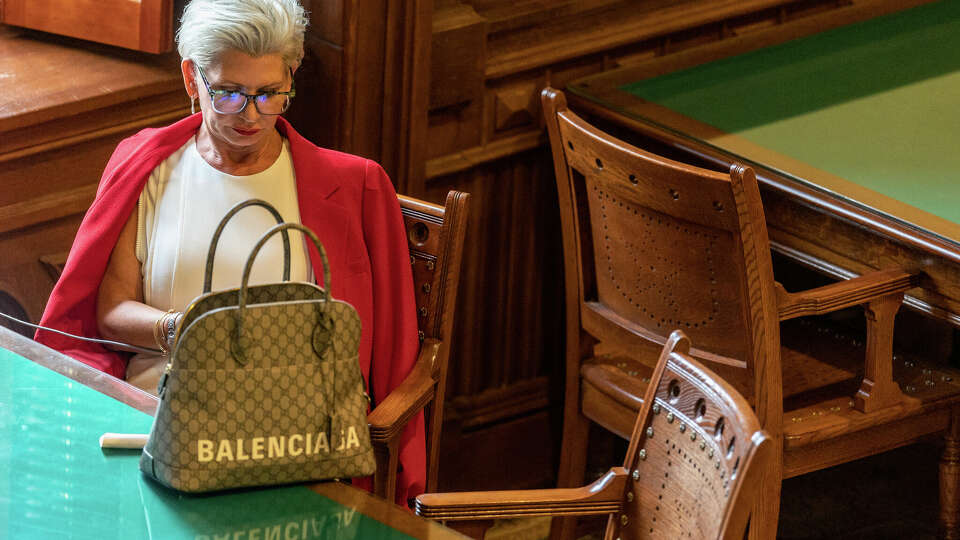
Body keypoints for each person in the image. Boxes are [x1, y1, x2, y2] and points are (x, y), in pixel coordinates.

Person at [36, 0, 424, 503]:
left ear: (290, 75)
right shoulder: (148, 167)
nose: (251, 114)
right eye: (229, 94)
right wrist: (186, 332)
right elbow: (109, 313)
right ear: (191, 79)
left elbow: (393, 356)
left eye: (269, 94)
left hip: (295, 447)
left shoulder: (355, 186)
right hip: (157, 429)